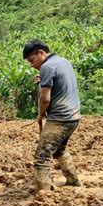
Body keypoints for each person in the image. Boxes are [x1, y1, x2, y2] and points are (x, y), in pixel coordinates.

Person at [23, 40, 82, 194]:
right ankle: (73, 181)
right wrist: (42, 82)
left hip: (60, 119)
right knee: (59, 150)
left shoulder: (47, 67)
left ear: (41, 53)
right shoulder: (63, 62)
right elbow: (59, 84)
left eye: (32, 60)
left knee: (41, 157)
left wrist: (40, 114)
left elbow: (45, 99)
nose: (32, 65)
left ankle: (43, 193)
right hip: (73, 117)